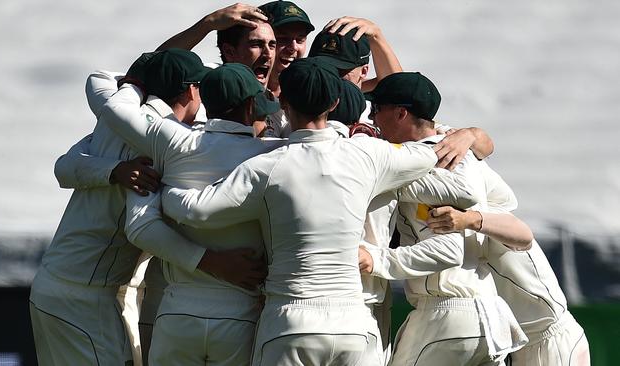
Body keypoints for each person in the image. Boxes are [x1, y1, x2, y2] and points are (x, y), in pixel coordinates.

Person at [157, 57, 480, 366]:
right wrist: (469, 135)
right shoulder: (368, 153)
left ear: (284, 106)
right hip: (355, 327)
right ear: (335, 104)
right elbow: (427, 153)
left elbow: (197, 211)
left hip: (290, 324)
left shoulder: (266, 165)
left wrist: (164, 185)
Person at [30, 49, 244, 365]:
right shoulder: (162, 139)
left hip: (60, 285)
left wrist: (113, 170)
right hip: (83, 294)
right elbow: (142, 228)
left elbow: (64, 166)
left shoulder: (113, 123)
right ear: (190, 90)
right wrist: (212, 262)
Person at [101, 61, 285, 365]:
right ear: (252, 106)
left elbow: (113, 109)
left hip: (176, 314)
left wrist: (137, 79)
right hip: (240, 315)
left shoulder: (171, 140)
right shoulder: (274, 154)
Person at [361, 71, 529, 365]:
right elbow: (506, 201)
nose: (373, 119)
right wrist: (473, 135)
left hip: (446, 314)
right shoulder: (465, 153)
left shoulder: (424, 162)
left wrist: (375, 259)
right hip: (489, 316)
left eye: (376, 109)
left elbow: (447, 250)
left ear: (401, 113)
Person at [425, 205, 591, 364]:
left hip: (550, 340)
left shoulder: (484, 209)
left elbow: (524, 236)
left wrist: (469, 219)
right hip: (515, 344)